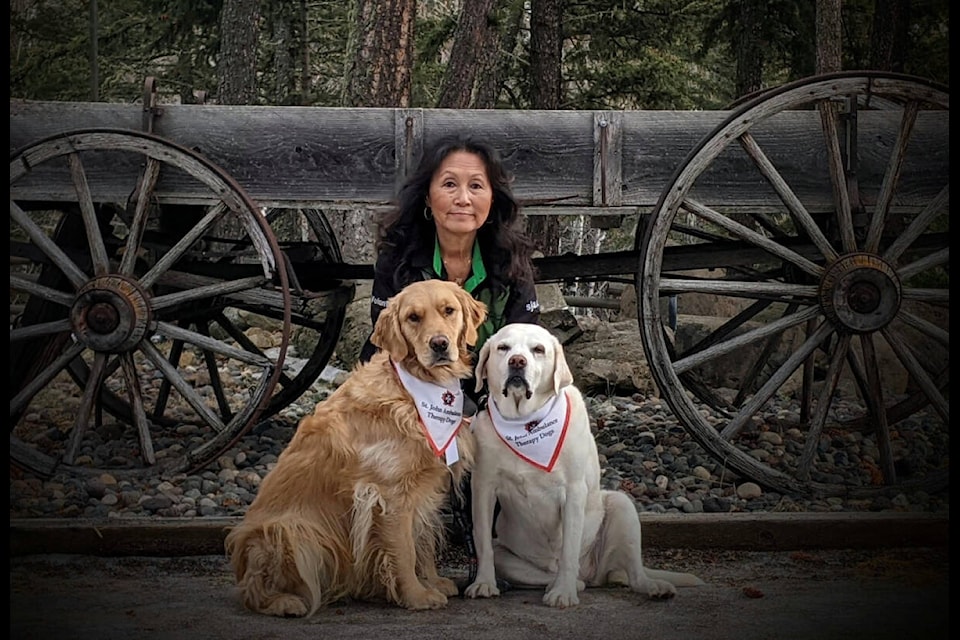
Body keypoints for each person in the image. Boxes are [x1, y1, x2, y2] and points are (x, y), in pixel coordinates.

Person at [359, 134, 541, 398]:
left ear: (492, 198)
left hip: (489, 391)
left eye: (476, 186)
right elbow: (390, 343)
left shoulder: (511, 260)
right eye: (449, 184)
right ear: (427, 197)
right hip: (410, 388)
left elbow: (525, 340)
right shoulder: (398, 258)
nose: (463, 199)